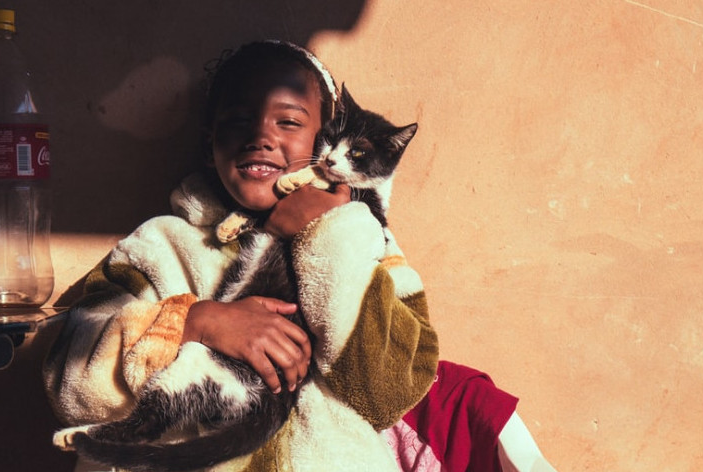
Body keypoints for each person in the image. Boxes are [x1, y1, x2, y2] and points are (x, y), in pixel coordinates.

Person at [43, 40, 554, 472]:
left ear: (324, 139)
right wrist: (193, 321)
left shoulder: (367, 243)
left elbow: (390, 390)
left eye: (289, 122)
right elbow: (69, 380)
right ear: (209, 144)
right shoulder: (162, 244)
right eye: (239, 119)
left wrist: (329, 232)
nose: (262, 135)